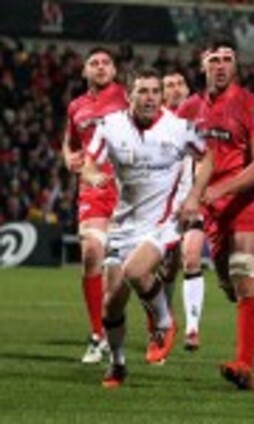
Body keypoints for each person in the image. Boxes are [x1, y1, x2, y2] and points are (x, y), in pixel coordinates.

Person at [176, 36, 254, 390]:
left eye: (227, 59)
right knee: (232, 288)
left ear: (236, 64)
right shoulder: (188, 109)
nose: (221, 66)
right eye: (214, 59)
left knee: (244, 275)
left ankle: (244, 366)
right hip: (211, 210)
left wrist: (218, 190)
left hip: (247, 202)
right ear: (202, 64)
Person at [82, 68, 213, 388]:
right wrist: (93, 175)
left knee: (136, 270)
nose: (150, 98)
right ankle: (118, 364)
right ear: (129, 95)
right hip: (125, 223)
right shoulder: (110, 126)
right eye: (143, 91)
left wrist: (194, 196)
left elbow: (208, 158)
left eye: (155, 91)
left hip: (164, 221)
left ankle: (165, 323)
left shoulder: (179, 128)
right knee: (111, 303)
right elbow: (88, 163)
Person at [62, 47, 128, 364]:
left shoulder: (128, 98)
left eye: (105, 63)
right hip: (93, 187)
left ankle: (157, 323)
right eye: (94, 63)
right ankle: (97, 335)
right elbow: (71, 143)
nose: (100, 67)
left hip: (128, 190)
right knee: (91, 254)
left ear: (114, 71)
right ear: (85, 71)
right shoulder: (76, 106)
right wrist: (68, 157)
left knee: (131, 272)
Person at [161, 69, 206, 351]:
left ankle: (192, 328)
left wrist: (196, 195)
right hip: (163, 207)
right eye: (169, 85)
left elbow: (208, 160)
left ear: (188, 90)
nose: (176, 89)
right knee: (167, 270)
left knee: (191, 258)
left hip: (193, 202)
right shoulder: (156, 124)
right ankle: (164, 324)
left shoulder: (200, 122)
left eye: (180, 84)